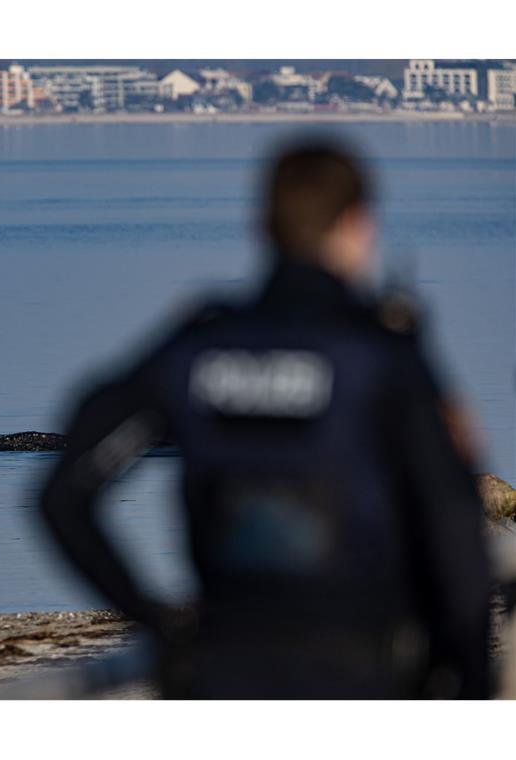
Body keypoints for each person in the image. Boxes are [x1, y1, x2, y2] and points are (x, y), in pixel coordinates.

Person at [38, 140, 494, 699]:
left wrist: (159, 624)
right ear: (358, 224)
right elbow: (453, 531)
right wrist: (471, 680)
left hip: (224, 666)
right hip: (362, 669)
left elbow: (62, 497)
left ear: (262, 226)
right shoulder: (378, 355)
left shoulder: (198, 348)